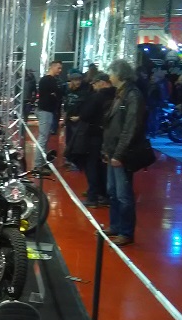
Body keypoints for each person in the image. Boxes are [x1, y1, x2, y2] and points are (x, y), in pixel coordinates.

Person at [102, 59, 147, 247]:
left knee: (123, 195)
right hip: (113, 150)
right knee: (112, 192)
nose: (109, 76)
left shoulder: (132, 95)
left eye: (111, 72)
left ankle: (126, 232)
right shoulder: (120, 94)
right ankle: (115, 225)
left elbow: (130, 128)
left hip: (122, 153)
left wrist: (119, 154)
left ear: (119, 74)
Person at [78, 73, 115, 208]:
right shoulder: (117, 96)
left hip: (95, 134)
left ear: (101, 83)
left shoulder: (97, 97)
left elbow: (85, 114)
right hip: (110, 136)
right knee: (104, 166)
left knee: (92, 165)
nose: (93, 86)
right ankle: (104, 194)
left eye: (94, 83)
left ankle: (93, 195)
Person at [35, 60, 63, 170]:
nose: (60, 70)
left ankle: (41, 163)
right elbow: (58, 94)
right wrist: (55, 94)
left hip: (46, 111)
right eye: (58, 68)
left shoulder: (46, 80)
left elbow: (56, 94)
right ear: (52, 67)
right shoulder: (50, 80)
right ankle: (38, 165)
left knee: (44, 138)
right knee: (43, 138)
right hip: (45, 111)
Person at [63, 70, 91, 170]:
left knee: (77, 143)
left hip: (79, 120)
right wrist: (64, 118)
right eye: (75, 80)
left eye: (79, 80)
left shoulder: (85, 92)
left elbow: (87, 107)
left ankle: (76, 163)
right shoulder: (68, 91)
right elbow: (66, 106)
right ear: (71, 81)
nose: (78, 82)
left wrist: (79, 117)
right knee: (68, 140)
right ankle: (69, 159)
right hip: (69, 119)